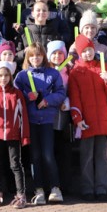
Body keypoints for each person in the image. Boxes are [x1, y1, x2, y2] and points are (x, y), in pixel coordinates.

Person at [14, 43, 67, 205]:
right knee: (35, 156)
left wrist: (46, 100)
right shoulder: (22, 75)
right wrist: (26, 95)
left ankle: (55, 188)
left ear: (43, 56)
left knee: (48, 155)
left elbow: (60, 93)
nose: (35, 58)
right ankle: (38, 190)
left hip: (47, 120)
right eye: (31, 56)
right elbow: (15, 93)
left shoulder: (53, 74)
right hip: (30, 121)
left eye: (38, 55)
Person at [68, 34, 107, 201]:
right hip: (86, 120)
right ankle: (88, 188)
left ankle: (102, 188)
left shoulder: (103, 67)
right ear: (79, 53)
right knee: (87, 156)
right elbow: (74, 97)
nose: (88, 54)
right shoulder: (76, 71)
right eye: (84, 51)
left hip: (102, 118)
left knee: (101, 156)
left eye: (89, 50)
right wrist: (77, 118)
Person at [0, 61, 30, 209]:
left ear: (10, 76)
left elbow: (23, 115)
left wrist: (25, 135)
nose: (3, 78)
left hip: (13, 134)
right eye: (0, 75)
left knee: (15, 165)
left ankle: (21, 195)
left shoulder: (16, 93)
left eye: (6, 75)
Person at [47, 40, 74, 196]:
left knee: (65, 153)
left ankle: (65, 185)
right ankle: (52, 184)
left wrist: (68, 101)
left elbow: (74, 90)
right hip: (49, 119)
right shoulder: (46, 71)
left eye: (60, 53)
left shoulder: (70, 71)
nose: (57, 56)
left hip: (64, 119)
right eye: (54, 53)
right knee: (51, 151)